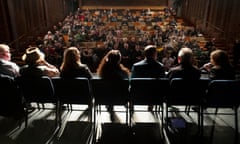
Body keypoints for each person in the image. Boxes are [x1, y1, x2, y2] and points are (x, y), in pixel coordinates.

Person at [130, 45, 166, 111]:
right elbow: (163, 83)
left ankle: (132, 108)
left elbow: (132, 82)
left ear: (145, 54)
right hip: (155, 97)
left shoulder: (136, 66)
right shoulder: (160, 67)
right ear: (155, 54)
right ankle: (151, 105)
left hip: (138, 95)